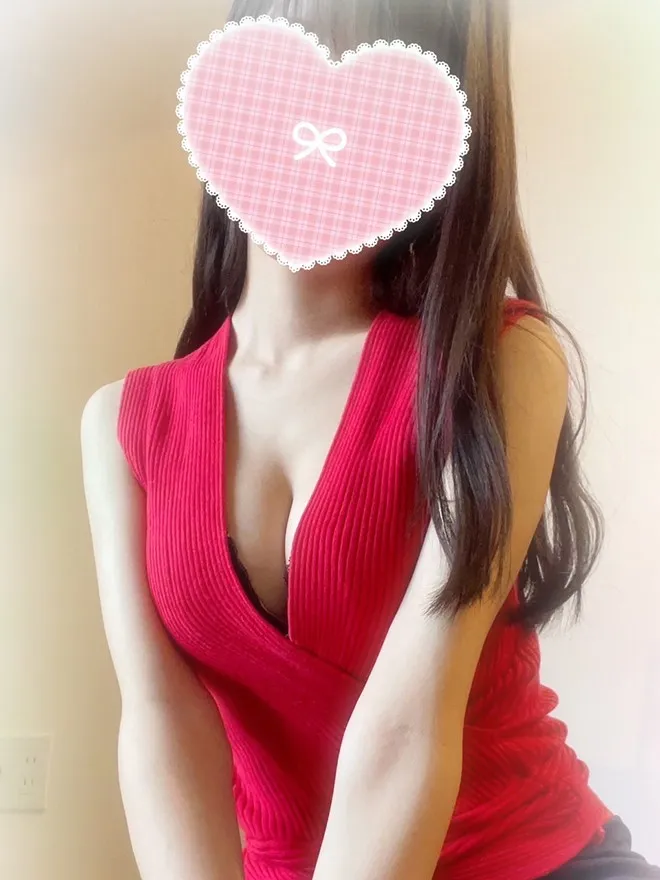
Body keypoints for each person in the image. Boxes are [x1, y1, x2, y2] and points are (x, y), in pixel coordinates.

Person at [81, 1, 660, 879]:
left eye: (381, 82)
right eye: (296, 52)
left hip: (532, 859)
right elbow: (162, 722)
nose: (322, 122)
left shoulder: (501, 363)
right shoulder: (122, 424)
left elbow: (408, 720)